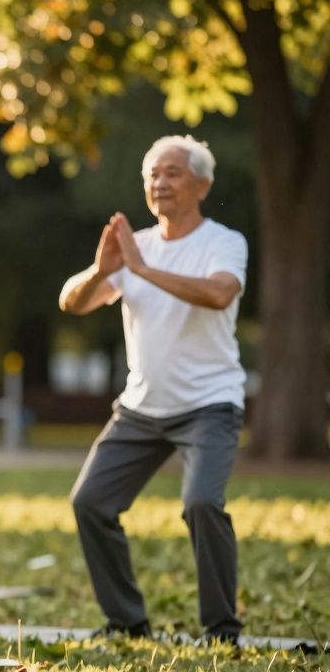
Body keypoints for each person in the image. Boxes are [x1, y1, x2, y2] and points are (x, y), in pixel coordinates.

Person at [58, 135, 247, 643]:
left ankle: (222, 628)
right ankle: (127, 622)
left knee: (202, 504)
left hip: (210, 405)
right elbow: (72, 303)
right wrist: (104, 269)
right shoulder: (132, 247)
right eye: (151, 175)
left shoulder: (223, 242)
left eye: (172, 173)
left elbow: (219, 292)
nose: (159, 183)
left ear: (203, 185)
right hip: (141, 408)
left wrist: (142, 269)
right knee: (90, 502)